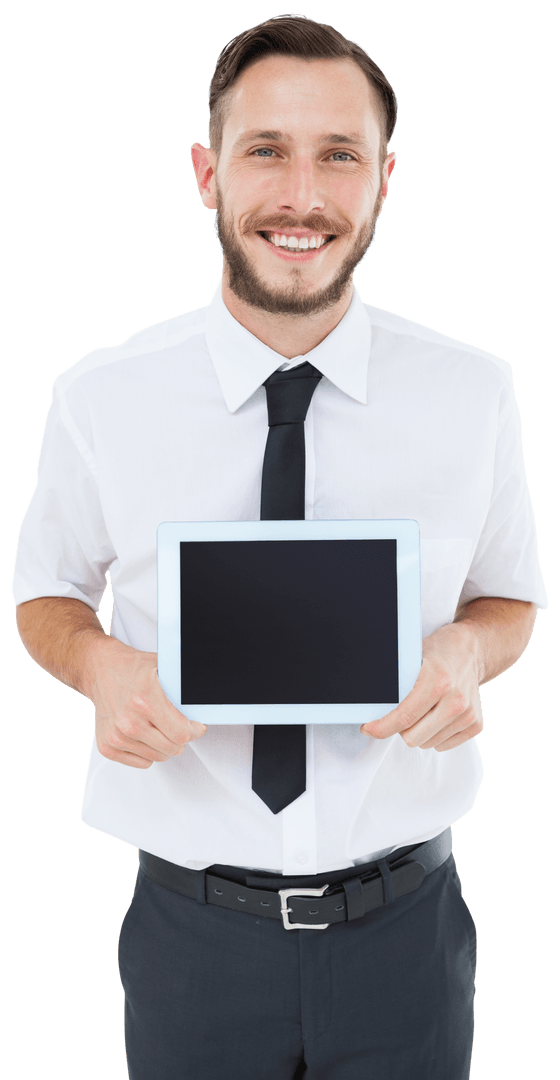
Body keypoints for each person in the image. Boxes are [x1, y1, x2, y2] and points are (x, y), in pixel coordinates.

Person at [12, 13, 547, 1080]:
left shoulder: (471, 390)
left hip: (407, 931)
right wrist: (102, 668)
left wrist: (465, 654)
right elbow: (45, 595)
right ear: (207, 173)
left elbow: (508, 596)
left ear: (383, 180)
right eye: (265, 151)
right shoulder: (98, 397)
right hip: (189, 938)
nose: (300, 196)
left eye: (337, 155)